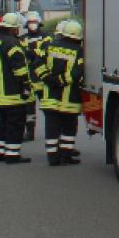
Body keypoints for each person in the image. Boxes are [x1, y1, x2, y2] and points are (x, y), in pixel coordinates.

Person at [35, 20, 84, 166]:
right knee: (69, 128)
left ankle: (52, 157)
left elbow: (37, 65)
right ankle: (66, 156)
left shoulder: (50, 46)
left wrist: (48, 79)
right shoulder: (79, 51)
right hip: (70, 99)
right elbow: (77, 73)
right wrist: (61, 80)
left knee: (52, 128)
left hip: (50, 97)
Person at [0, 12, 33, 164]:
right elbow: (19, 69)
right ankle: (12, 155)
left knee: (3, 121)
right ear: (14, 29)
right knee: (16, 123)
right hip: (12, 92)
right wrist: (27, 85)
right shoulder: (12, 44)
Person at [18, 12, 47, 141]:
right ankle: (30, 133)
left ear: (39, 22)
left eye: (34, 22)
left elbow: (45, 53)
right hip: (29, 80)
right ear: (26, 24)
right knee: (28, 109)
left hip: (43, 79)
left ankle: (52, 132)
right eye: (30, 22)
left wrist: (32, 53)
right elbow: (22, 54)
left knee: (48, 108)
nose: (32, 25)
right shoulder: (22, 38)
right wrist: (34, 53)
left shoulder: (47, 38)